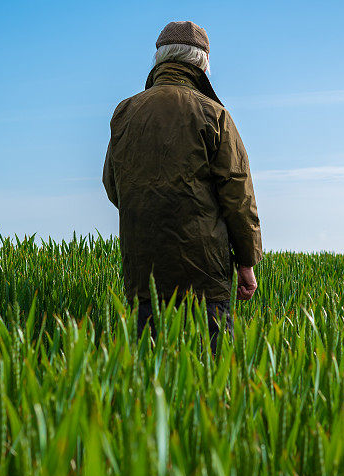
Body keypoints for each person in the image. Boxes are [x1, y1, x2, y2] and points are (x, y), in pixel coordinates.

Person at [103, 21, 262, 352]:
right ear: (202, 64)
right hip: (204, 273)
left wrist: (151, 213)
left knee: (148, 373)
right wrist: (246, 261)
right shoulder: (213, 113)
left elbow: (112, 184)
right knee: (209, 373)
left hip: (142, 271)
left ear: (159, 60)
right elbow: (237, 195)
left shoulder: (125, 112)